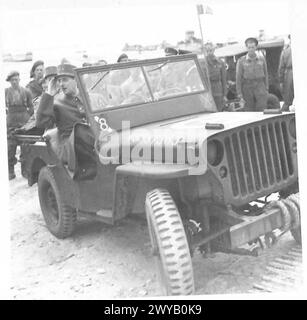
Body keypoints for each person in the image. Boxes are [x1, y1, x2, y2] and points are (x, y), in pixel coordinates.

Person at [36, 63, 96, 180]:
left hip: (93, 141)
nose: (61, 84)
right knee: (80, 129)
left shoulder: (89, 97)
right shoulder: (56, 103)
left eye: (65, 80)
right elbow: (41, 123)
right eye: (59, 80)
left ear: (76, 80)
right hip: (71, 147)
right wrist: (49, 94)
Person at [5, 71, 34, 180]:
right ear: (9, 81)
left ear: (19, 80)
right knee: (10, 147)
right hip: (11, 120)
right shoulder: (5, 92)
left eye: (17, 79)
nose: (15, 82)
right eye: (13, 80)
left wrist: (28, 119)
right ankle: (10, 171)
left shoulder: (26, 91)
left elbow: (31, 107)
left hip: (23, 120)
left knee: (25, 145)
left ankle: (25, 171)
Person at [236, 37, 269, 111]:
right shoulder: (241, 61)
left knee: (262, 108)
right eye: (249, 47)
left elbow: (266, 74)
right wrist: (240, 94)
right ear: (246, 48)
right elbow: (238, 78)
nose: (251, 49)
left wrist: (266, 88)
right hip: (247, 88)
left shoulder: (261, 59)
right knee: (249, 110)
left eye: (253, 47)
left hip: (260, 87)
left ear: (256, 47)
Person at [204, 42, 227, 111]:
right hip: (207, 89)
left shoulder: (220, 62)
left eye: (210, 50)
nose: (209, 53)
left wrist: (225, 94)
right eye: (207, 51)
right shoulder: (202, 63)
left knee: (219, 109)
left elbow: (224, 79)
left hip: (218, 89)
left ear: (213, 50)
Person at [278, 35, 294, 111]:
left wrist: (281, 81)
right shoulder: (286, 51)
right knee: (288, 99)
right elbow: (281, 67)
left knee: (288, 99)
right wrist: (281, 80)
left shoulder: (286, 51)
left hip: (291, 73)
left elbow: (281, 67)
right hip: (290, 72)